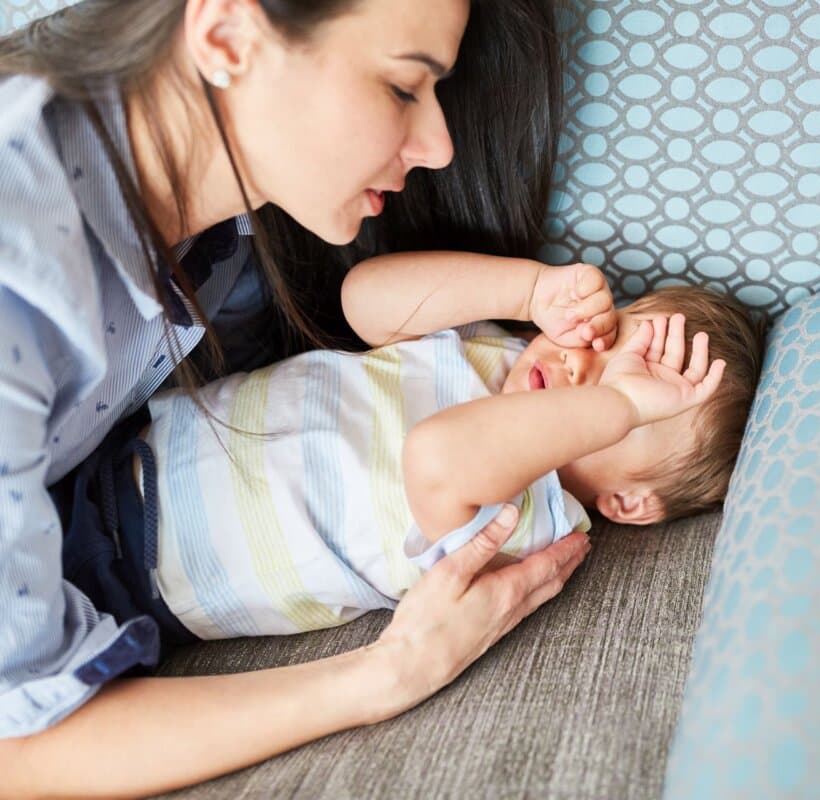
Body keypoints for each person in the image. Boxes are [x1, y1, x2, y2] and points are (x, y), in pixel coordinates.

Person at [0, 1, 591, 796]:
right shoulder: (19, 271)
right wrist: (385, 676)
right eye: (401, 86)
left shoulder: (216, 214)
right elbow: (20, 746)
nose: (440, 146)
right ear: (227, 37)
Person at [118, 254, 764, 640]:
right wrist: (533, 291)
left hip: (145, 568)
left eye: (622, 408)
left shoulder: (533, 516)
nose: (577, 366)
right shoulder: (502, 352)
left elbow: (437, 457)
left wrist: (620, 405)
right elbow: (361, 301)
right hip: (133, 437)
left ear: (627, 502)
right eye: (607, 337)